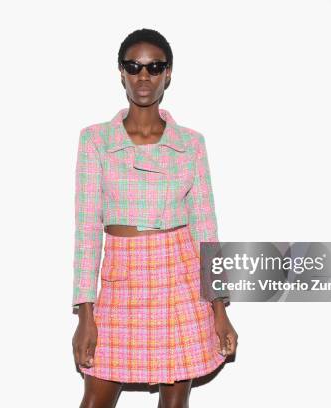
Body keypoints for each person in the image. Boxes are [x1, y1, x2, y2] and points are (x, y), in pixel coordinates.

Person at [72, 28, 238, 408]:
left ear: (168, 73)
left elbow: (206, 227)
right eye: (133, 66)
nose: (143, 76)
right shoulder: (95, 140)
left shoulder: (191, 143)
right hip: (121, 281)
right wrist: (85, 312)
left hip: (179, 281)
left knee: (174, 405)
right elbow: (85, 232)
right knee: (95, 400)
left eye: (154, 67)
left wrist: (219, 310)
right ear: (121, 72)